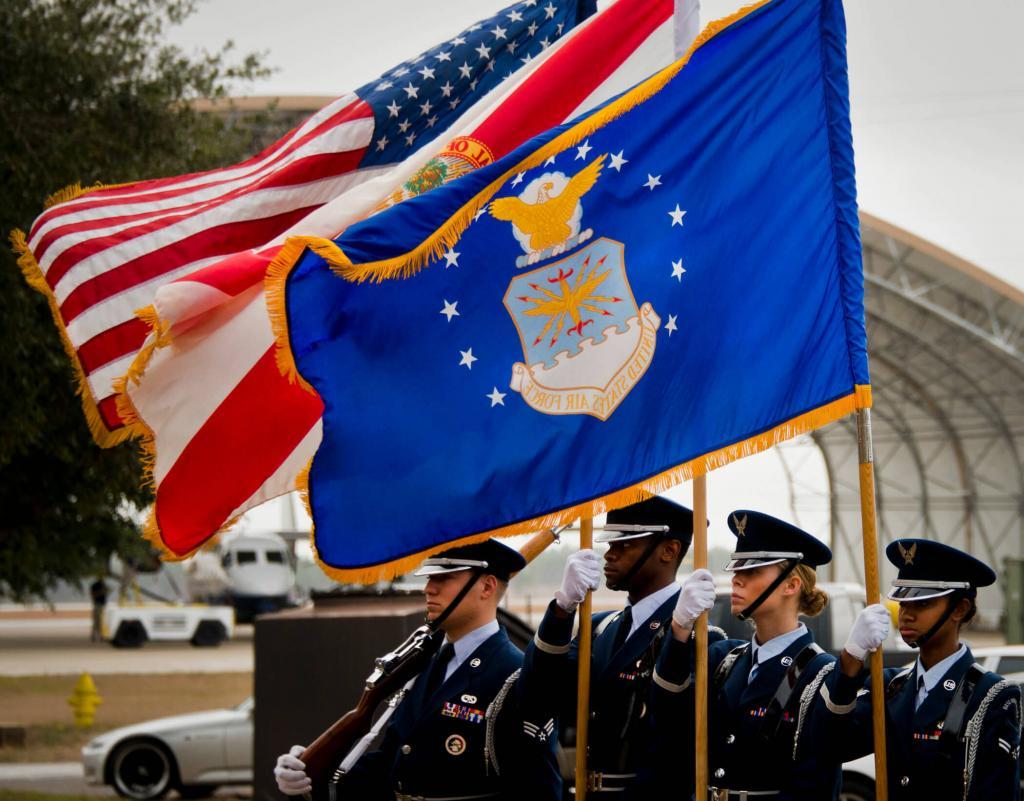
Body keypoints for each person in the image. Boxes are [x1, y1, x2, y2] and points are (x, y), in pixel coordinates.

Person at [273, 538, 561, 801]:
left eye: (444, 578)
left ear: (486, 587)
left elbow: (539, 789)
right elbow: (392, 763)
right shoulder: (424, 664)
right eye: (429, 577)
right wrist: (311, 779)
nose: (428, 588)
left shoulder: (515, 675)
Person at [658, 509, 891, 800]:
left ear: (791, 585)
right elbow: (666, 715)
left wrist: (852, 660)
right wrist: (679, 630)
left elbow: (825, 761)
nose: (736, 580)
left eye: (751, 571)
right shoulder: (724, 660)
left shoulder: (821, 675)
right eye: (737, 570)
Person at [521, 495, 718, 797]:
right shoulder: (600, 627)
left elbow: (674, 726)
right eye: (610, 544)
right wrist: (562, 609)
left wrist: (679, 633)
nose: (609, 555)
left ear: (669, 550)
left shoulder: (698, 636)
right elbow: (539, 691)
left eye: (624, 545)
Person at [828, 538, 1021, 800]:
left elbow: (997, 792)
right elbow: (832, 745)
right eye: (904, 603)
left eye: (922, 603)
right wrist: (851, 658)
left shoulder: (991, 696)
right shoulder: (890, 686)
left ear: (960, 610)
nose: (906, 614)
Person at [89, 576, 108, 642]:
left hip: (102, 605)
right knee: (97, 621)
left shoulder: (103, 585)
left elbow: (105, 593)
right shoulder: (95, 585)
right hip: (97, 604)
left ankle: (100, 636)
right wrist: (101, 592)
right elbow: (93, 594)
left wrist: (105, 592)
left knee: (101, 621)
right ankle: (94, 636)